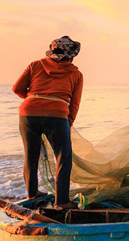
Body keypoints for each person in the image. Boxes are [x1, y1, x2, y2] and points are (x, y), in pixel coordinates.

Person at [12, 35, 84, 210]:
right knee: (62, 157)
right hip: (57, 115)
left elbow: (17, 88)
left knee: (30, 155)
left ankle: (32, 194)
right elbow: (74, 103)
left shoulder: (35, 65)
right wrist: (69, 121)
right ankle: (62, 201)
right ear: (71, 55)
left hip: (28, 113)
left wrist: (33, 99)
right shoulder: (76, 74)